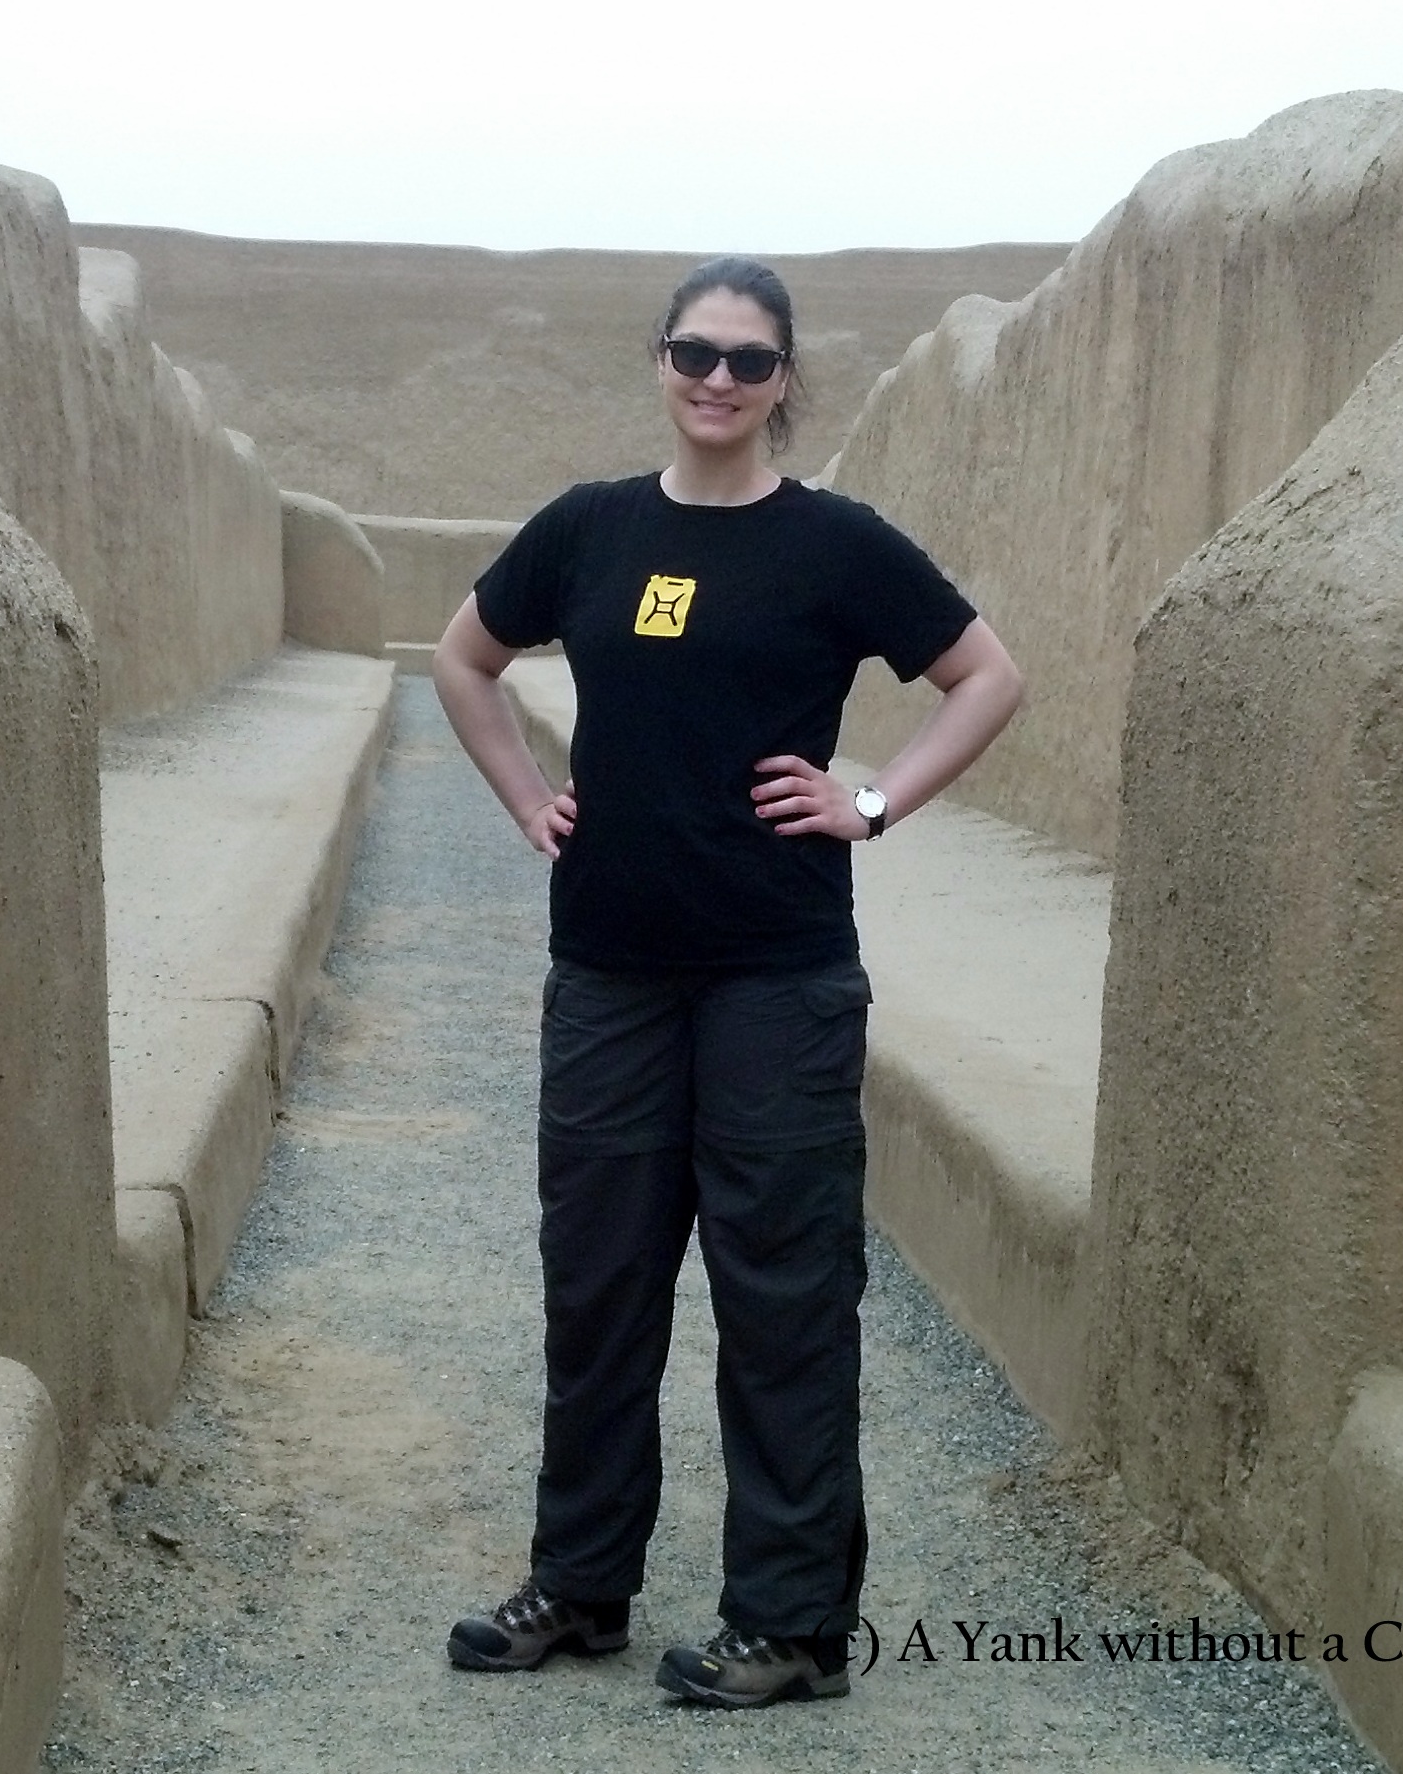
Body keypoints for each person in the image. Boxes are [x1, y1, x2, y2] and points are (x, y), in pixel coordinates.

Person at [432, 255, 1023, 1709]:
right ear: (661, 358)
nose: (717, 378)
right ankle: (580, 1584)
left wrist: (869, 802)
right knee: (600, 1290)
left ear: (782, 381)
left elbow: (988, 677)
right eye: (694, 351)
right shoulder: (589, 528)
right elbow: (465, 659)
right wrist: (528, 799)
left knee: (784, 1297)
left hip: (777, 977)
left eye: (749, 361)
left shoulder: (834, 544)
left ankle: (792, 1622)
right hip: (611, 973)